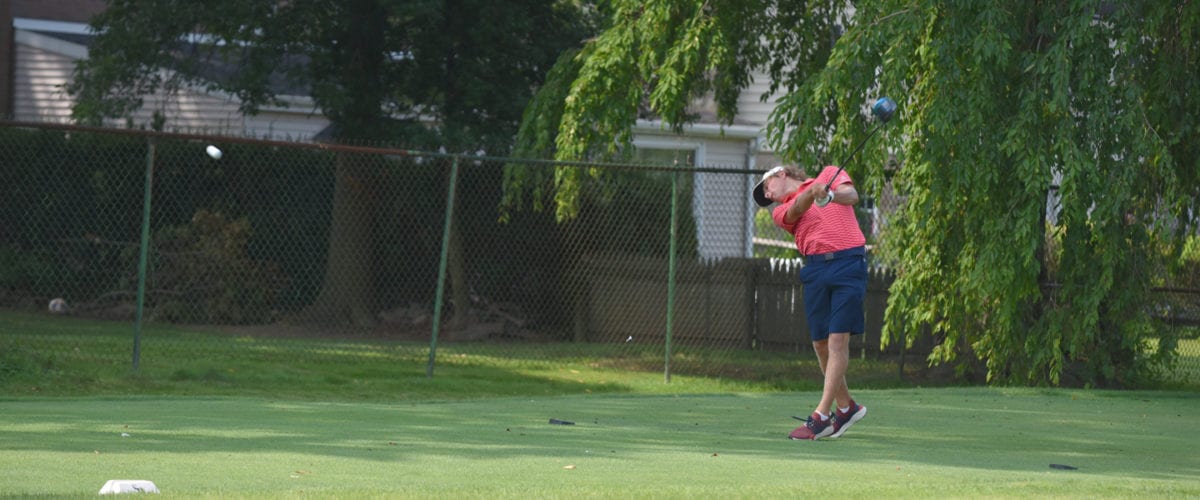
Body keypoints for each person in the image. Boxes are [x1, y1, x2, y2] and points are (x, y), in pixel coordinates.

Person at [752, 164, 868, 440]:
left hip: (848, 263)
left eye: (766, 187)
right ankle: (847, 408)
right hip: (815, 269)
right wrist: (814, 193)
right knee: (820, 344)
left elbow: (852, 196)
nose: (767, 195)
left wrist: (829, 194)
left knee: (837, 341)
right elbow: (797, 209)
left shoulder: (829, 175)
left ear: (782, 174)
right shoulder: (780, 211)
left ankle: (821, 417)